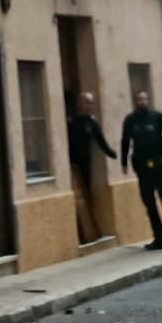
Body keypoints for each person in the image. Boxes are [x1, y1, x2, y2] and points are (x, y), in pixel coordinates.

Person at [119, 90, 162, 253]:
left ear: (147, 100)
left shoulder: (157, 117)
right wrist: (123, 163)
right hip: (142, 169)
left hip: (160, 167)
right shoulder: (130, 120)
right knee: (150, 205)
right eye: (139, 99)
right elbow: (125, 141)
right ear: (135, 101)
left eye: (144, 98)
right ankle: (158, 239)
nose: (142, 101)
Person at [68, 92, 118, 244]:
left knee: (86, 196)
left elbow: (101, 141)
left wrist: (113, 153)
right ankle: (78, 232)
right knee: (75, 197)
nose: (90, 107)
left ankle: (88, 231)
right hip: (71, 165)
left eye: (91, 103)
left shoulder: (92, 122)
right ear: (79, 104)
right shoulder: (71, 121)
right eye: (87, 103)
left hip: (85, 164)